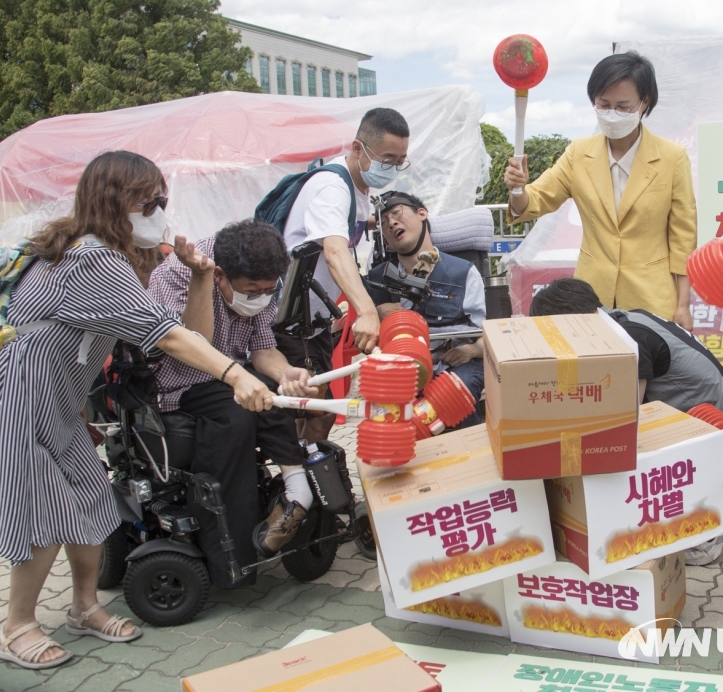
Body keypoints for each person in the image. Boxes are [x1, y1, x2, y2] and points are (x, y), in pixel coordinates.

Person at [0, 151, 273, 669]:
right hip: (9, 397)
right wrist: (235, 374)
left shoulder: (109, 257)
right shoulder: (92, 259)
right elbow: (167, 338)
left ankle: (84, 607)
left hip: (55, 398)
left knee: (90, 499)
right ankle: (16, 627)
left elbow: (188, 333)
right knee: (43, 511)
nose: (160, 212)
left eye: (162, 201)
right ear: (113, 203)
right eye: (150, 202)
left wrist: (197, 278)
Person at [528, 277, 723, 565]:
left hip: (709, 422)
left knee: (619, 446)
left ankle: (720, 520)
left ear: (571, 321)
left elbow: (629, 412)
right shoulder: (618, 321)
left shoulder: (627, 338)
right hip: (699, 412)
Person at [148, 219, 318, 588]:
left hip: (233, 375)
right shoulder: (177, 274)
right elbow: (195, 344)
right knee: (238, 416)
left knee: (272, 396)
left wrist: (287, 372)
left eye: (267, 290)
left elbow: (262, 350)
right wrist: (202, 278)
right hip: (181, 380)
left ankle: (296, 489)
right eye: (251, 290)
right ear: (222, 275)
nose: (259, 296)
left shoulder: (262, 278)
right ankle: (231, 561)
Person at [504, 51, 697, 331]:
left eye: (623, 106)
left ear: (644, 103)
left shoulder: (672, 157)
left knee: (649, 372)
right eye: (603, 104)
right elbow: (535, 201)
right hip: (592, 298)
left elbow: (683, 238)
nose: (612, 114)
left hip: (653, 298)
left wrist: (683, 306)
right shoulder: (578, 153)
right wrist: (518, 189)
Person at [280, 107, 410, 442]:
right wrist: (366, 312)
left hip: (317, 320)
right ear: (357, 149)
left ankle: (313, 474)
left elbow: (350, 225)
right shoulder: (332, 188)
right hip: (292, 321)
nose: (392, 168)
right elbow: (335, 251)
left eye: (400, 161)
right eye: (387, 159)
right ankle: (297, 483)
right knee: (306, 407)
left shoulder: (357, 185)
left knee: (321, 411)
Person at [365, 192, 485, 427]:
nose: (391, 223)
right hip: (403, 371)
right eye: (384, 222)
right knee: (384, 409)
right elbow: (369, 341)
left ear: (422, 214)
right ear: (386, 240)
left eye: (397, 213)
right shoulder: (378, 279)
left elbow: (487, 336)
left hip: (454, 367)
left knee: (454, 391)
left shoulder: (464, 272)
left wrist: (470, 350)